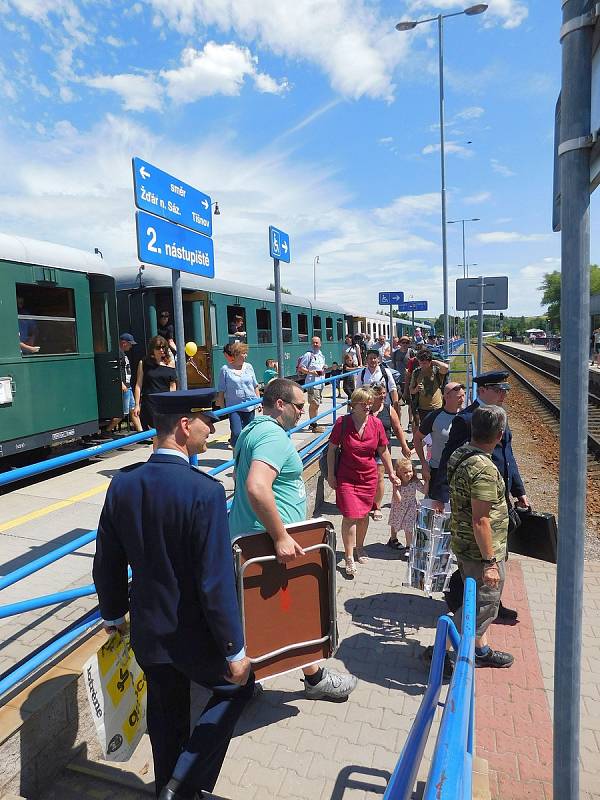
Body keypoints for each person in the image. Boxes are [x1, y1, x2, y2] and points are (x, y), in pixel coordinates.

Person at [92, 389, 254, 800]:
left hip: (150, 630)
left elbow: (107, 559)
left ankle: (168, 784)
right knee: (237, 688)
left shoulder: (124, 485)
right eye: (205, 420)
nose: (210, 428)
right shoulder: (204, 491)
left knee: (164, 716)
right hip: (195, 634)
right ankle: (183, 784)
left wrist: (112, 615)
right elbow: (214, 582)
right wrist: (234, 650)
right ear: (184, 426)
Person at [228, 378, 357, 701]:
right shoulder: (272, 436)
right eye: (299, 406)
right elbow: (257, 486)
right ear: (280, 404)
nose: (304, 412)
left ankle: (247, 683)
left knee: (259, 616)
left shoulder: (252, 430)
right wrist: (281, 535)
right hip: (271, 546)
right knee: (293, 613)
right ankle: (315, 680)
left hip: (253, 541)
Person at [428, 370, 528, 621]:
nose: (503, 394)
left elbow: (508, 458)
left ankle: (492, 601)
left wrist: (519, 491)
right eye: (498, 389)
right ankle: (463, 602)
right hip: (477, 498)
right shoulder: (467, 419)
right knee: (480, 554)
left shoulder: (498, 416)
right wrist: (439, 495)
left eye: (505, 390)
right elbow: (449, 456)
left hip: (497, 494)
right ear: (482, 391)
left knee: (497, 551)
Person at [447, 405, 514, 668]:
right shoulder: (483, 468)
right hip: (480, 553)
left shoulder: (461, 453)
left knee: (472, 601)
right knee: (480, 606)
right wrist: (491, 562)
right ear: (499, 435)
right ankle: (442, 652)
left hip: (465, 545)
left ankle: (480, 650)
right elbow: (481, 520)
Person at [326, 387, 401, 576]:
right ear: (354, 404)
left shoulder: (376, 424)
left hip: (368, 477)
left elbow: (383, 450)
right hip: (346, 477)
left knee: (364, 515)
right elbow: (332, 450)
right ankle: (349, 556)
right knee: (350, 515)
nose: (368, 406)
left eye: (370, 402)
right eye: (364, 403)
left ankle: (360, 547)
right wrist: (331, 475)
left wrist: (391, 473)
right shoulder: (342, 423)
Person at [369, 383, 412, 521]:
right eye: (379, 393)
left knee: (379, 476)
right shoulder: (365, 408)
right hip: (366, 449)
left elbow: (398, 428)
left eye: (384, 393)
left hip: (382, 449)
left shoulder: (388, 409)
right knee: (369, 478)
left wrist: (404, 446)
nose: (382, 396)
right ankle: (368, 502)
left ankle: (377, 507)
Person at [413, 382, 465, 492]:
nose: (463, 399)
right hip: (439, 471)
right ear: (447, 397)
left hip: (461, 471)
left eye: (463, 395)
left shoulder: (467, 416)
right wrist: (423, 463)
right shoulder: (434, 416)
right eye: (459, 397)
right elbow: (417, 438)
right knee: (437, 507)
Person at [216, 342, 260, 448]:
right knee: (236, 433)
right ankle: (236, 457)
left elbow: (255, 385)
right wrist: (222, 407)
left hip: (250, 405)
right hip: (234, 407)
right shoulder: (225, 370)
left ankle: (246, 456)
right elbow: (221, 390)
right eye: (243, 353)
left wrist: (258, 401)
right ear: (236, 354)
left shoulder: (249, 367)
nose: (246, 355)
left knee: (249, 433)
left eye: (246, 353)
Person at [133, 336, 177, 434]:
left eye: (163, 347)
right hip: (149, 403)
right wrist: (137, 405)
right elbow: (138, 384)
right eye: (158, 348)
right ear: (152, 349)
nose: (161, 350)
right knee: (154, 434)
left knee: (166, 433)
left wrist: (171, 401)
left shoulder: (170, 363)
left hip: (165, 402)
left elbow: (172, 386)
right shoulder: (144, 363)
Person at [387, 457, 427, 556]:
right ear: (399, 473)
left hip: (411, 507)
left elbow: (424, 491)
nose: (409, 474)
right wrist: (394, 488)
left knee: (408, 527)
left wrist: (427, 481)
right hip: (398, 506)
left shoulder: (414, 482)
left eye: (410, 471)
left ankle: (409, 547)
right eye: (405, 472)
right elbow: (398, 499)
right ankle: (393, 539)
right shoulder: (398, 483)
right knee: (395, 522)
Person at [107, 333, 143, 434]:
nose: (131, 346)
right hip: (124, 387)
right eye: (130, 344)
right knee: (122, 413)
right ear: (123, 343)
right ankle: (107, 430)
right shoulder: (118, 353)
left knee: (133, 410)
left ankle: (141, 433)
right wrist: (121, 383)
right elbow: (115, 369)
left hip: (128, 387)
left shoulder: (123, 353)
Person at [408, 349, 449, 426]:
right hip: (422, 408)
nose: (422, 365)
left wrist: (434, 361)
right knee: (426, 434)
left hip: (437, 407)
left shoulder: (436, 371)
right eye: (420, 363)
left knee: (437, 430)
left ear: (430, 362)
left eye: (424, 363)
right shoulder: (416, 372)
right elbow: (411, 391)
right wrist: (416, 389)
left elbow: (446, 367)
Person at [297, 336, 327, 432]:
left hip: (320, 382)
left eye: (317, 343)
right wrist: (311, 372)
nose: (315, 344)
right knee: (314, 404)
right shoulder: (308, 355)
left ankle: (314, 423)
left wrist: (324, 368)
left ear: (320, 344)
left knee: (316, 404)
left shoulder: (321, 355)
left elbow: (320, 367)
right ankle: (313, 425)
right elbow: (301, 368)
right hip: (312, 383)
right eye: (313, 342)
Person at [356, 349, 399, 413]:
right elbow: (358, 391)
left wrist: (395, 407)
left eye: (374, 358)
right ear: (367, 360)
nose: (372, 360)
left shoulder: (386, 372)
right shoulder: (362, 373)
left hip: (384, 407)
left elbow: (393, 389)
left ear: (378, 359)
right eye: (370, 358)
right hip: (368, 408)